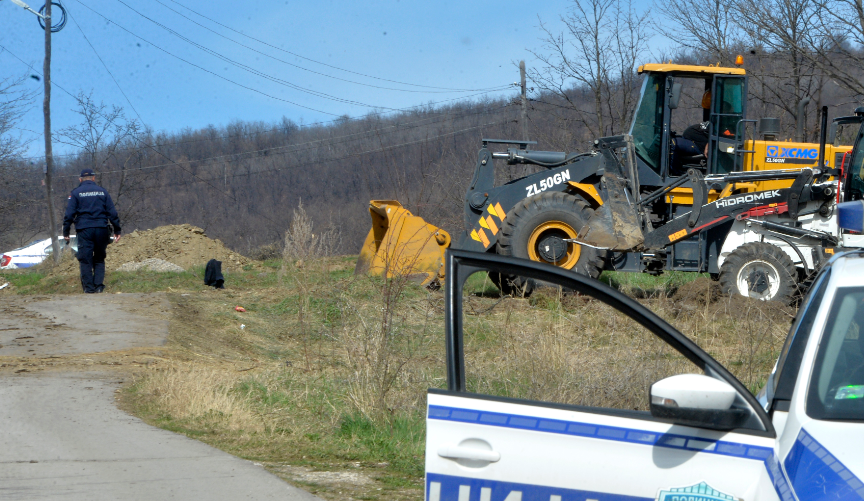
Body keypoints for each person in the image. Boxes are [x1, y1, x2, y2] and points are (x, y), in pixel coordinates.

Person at [62, 168, 122, 293]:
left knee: (85, 259)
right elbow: (112, 212)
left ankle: (89, 289)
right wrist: (117, 230)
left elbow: (69, 215)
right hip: (101, 228)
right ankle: (99, 286)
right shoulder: (102, 192)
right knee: (99, 258)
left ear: (80, 179)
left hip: (84, 230)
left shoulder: (75, 193)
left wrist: (66, 232)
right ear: (93, 178)